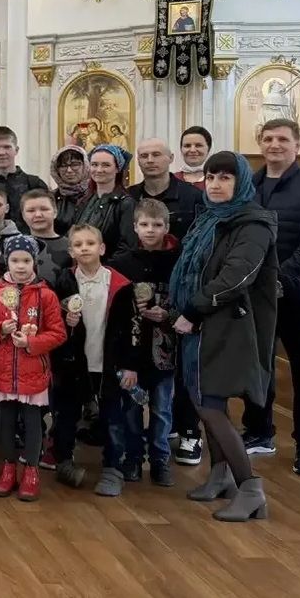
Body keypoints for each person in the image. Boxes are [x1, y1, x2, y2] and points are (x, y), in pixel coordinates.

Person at [171, 151, 277, 521]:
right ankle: (221, 475)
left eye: (225, 178)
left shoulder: (253, 224)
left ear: (241, 182)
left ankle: (251, 489)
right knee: (202, 400)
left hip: (224, 324)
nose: (216, 185)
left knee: (211, 405)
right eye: (211, 177)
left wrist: (192, 310)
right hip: (197, 324)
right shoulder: (209, 219)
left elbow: (236, 278)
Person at [242, 119, 300, 473]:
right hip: (255, 295)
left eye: (283, 139)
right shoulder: (250, 185)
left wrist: (278, 277)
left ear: (297, 144)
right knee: (258, 368)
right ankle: (259, 432)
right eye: (268, 138)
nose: (274, 144)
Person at [50, 225, 138, 496]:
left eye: (90, 243)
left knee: (113, 417)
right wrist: (67, 323)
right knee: (66, 415)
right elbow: (52, 323)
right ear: (71, 251)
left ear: (102, 248)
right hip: (73, 363)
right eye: (78, 244)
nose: (84, 248)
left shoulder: (120, 284)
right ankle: (64, 461)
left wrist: (130, 365)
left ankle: (113, 467)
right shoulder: (63, 281)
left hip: (108, 363)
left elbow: (132, 327)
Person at [0, 235, 66, 501]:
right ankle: (7, 468)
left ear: (34, 262)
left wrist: (31, 343)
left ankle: (32, 471)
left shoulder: (46, 295)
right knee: (5, 420)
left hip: (33, 371)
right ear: (7, 261)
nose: (20, 266)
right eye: (15, 260)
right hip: (3, 371)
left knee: (32, 421)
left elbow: (58, 333)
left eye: (26, 260)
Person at [108, 198, 182, 486]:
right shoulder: (122, 264)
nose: (151, 230)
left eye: (157, 225)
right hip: (132, 353)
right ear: (135, 227)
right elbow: (115, 315)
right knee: (131, 408)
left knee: (162, 410)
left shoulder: (177, 261)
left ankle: (160, 459)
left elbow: (185, 301)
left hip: (166, 351)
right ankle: (134, 458)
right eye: (145, 225)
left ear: (166, 227)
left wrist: (168, 313)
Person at [128, 138, 204, 239]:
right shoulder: (129, 197)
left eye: (156, 155)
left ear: (171, 158)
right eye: (144, 156)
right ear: (138, 161)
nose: (150, 160)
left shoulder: (193, 197)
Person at [73, 144, 137, 261]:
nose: (99, 170)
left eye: (106, 165)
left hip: (109, 271)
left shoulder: (125, 203)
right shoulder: (84, 200)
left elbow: (127, 247)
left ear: (117, 168)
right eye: (94, 165)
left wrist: (103, 270)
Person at [20, 189, 69, 287]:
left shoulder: (70, 247)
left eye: (44, 209)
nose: (38, 215)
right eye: (31, 211)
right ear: (23, 216)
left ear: (55, 212)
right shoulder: (16, 246)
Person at [51, 146, 89, 236]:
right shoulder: (51, 198)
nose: (69, 170)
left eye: (75, 164)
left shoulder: (97, 195)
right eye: (63, 166)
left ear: (86, 165)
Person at [175, 126, 211, 190]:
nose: (192, 150)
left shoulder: (217, 180)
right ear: (181, 149)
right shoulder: (171, 180)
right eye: (187, 146)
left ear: (209, 148)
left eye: (198, 145)